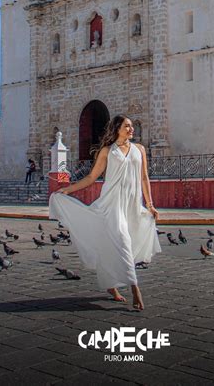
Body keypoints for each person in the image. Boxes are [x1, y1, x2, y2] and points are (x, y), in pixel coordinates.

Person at [49, 116, 161, 311]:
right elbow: (92, 177)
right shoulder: (107, 151)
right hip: (111, 205)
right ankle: (135, 290)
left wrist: (150, 205)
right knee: (122, 242)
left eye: (132, 126)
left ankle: (111, 287)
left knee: (119, 245)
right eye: (127, 126)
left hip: (132, 204)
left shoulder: (140, 150)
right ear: (117, 128)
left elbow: (144, 177)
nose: (131, 129)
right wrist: (67, 190)